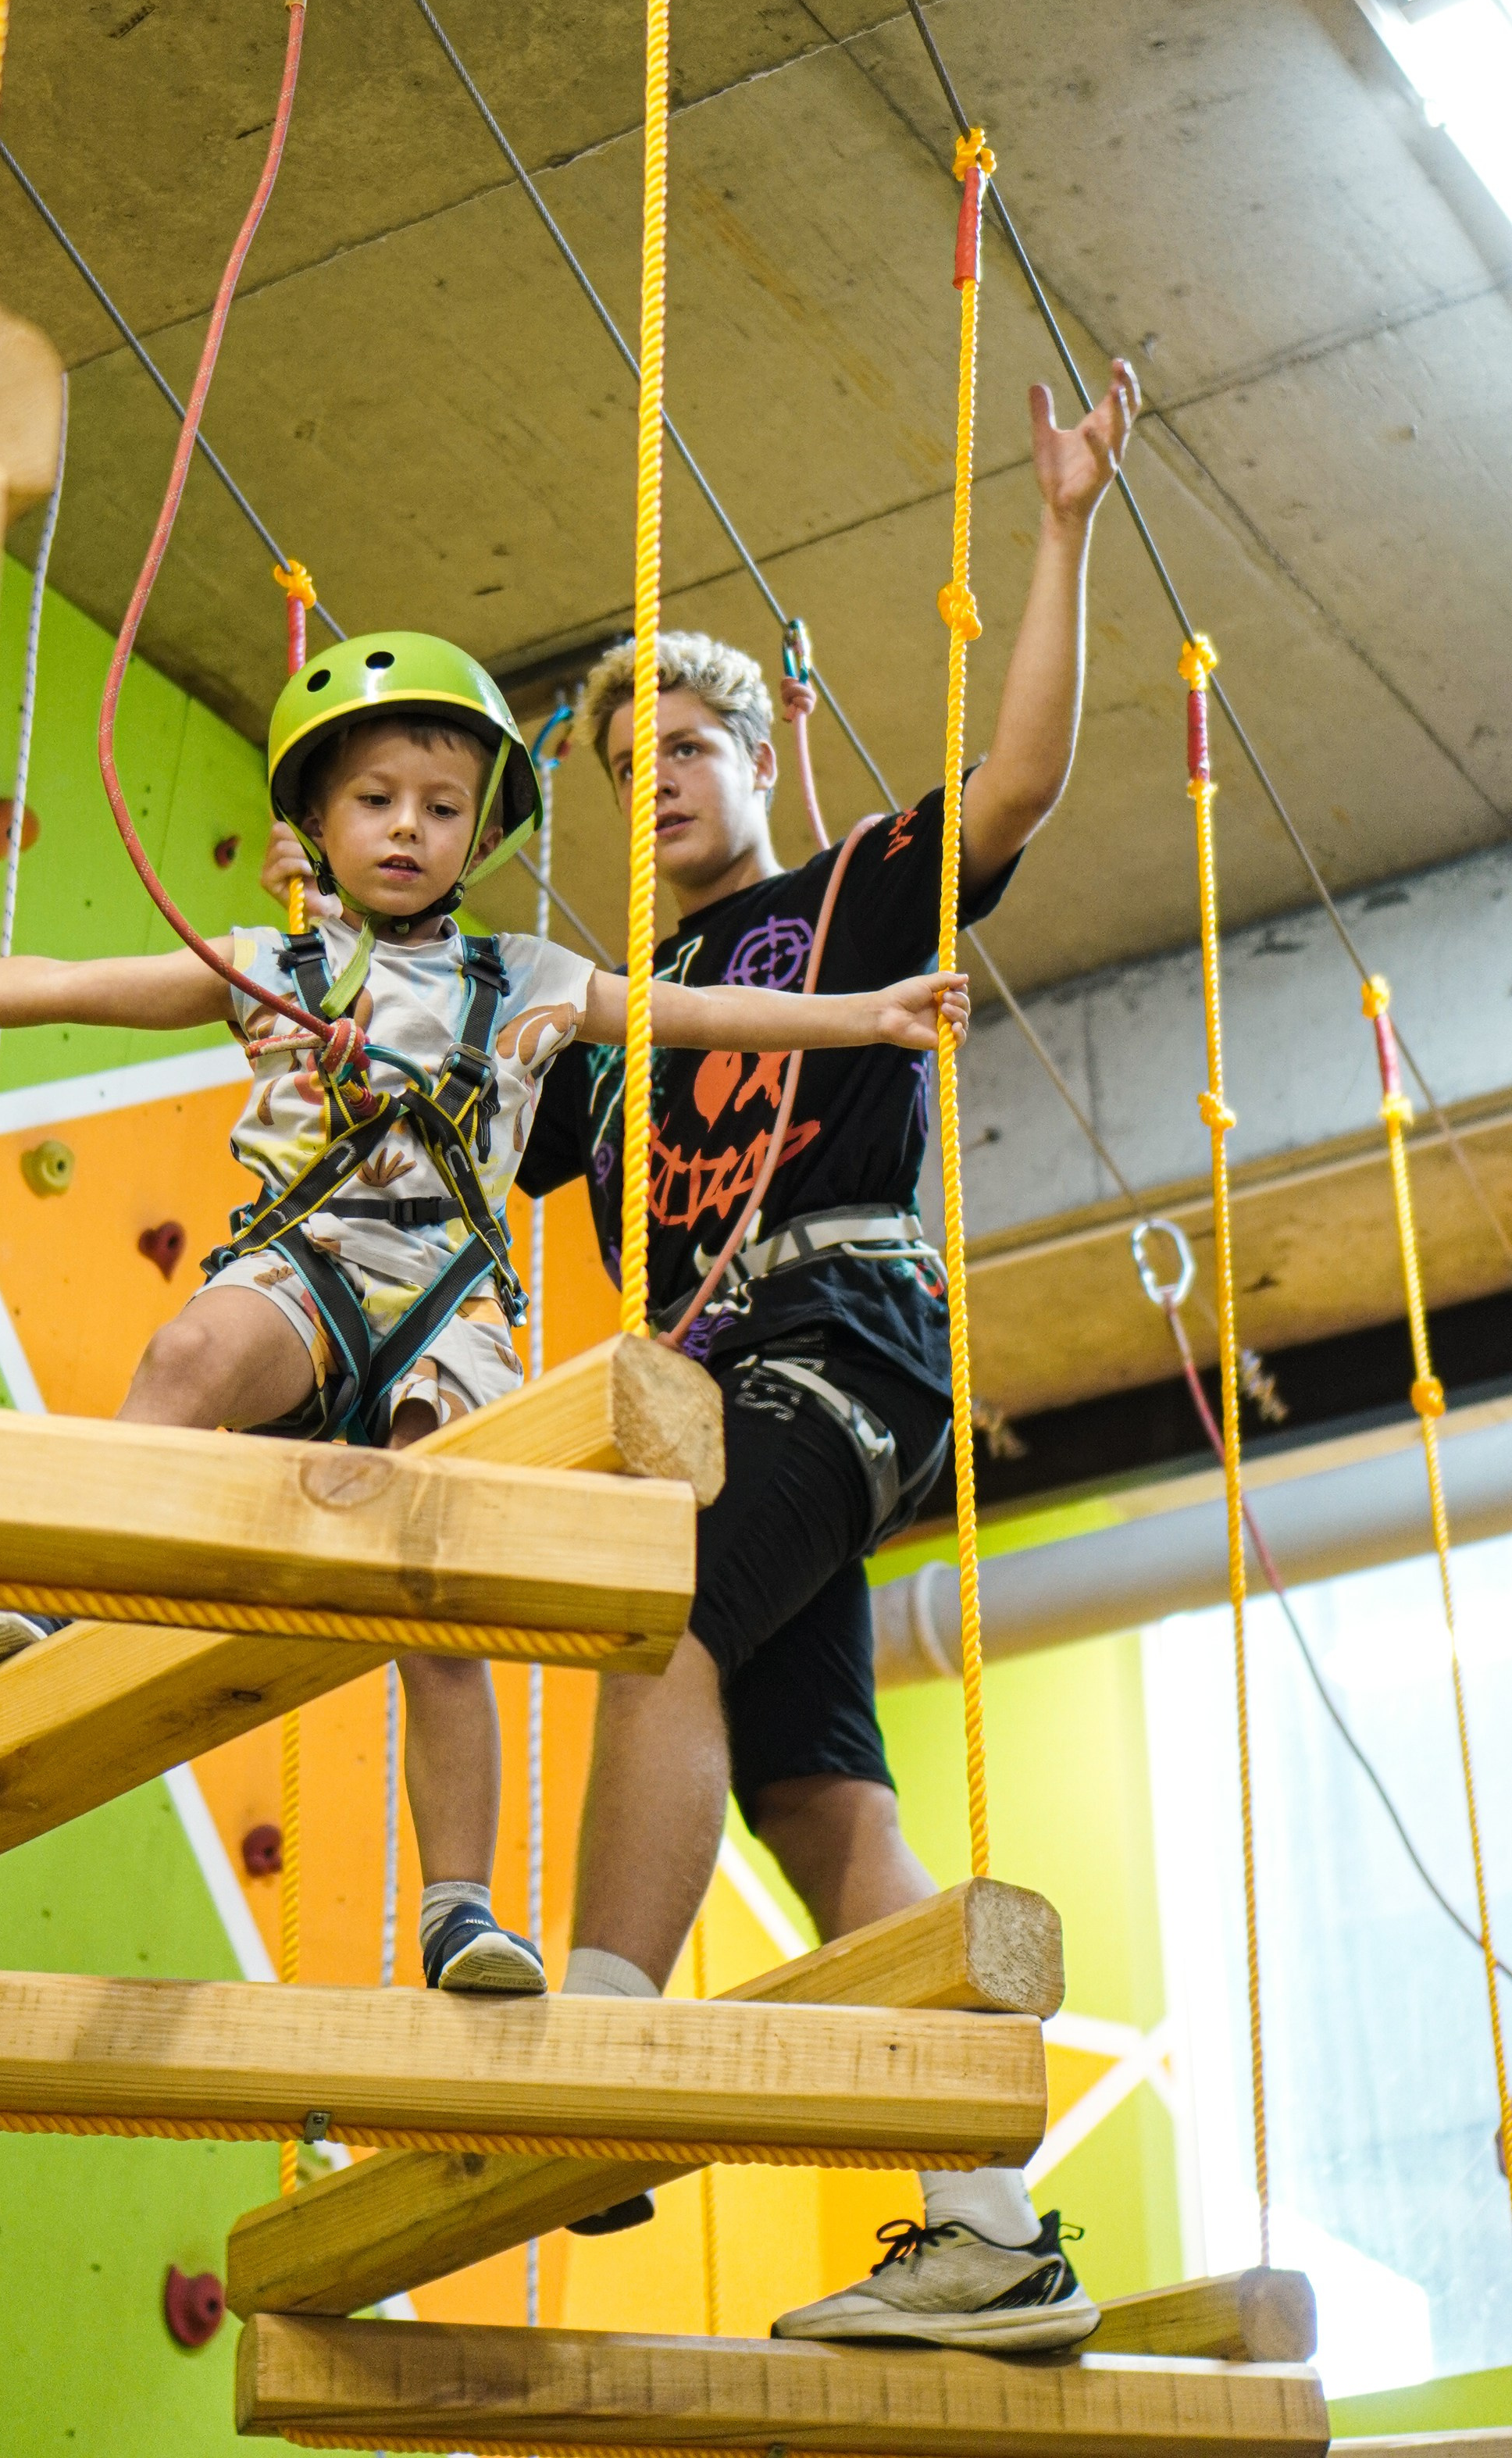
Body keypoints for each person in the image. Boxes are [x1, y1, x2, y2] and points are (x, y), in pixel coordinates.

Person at [0, 630, 967, 2003]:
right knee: (187, 1352)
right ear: (318, 828)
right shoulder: (277, 965)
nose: (408, 830)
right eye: (376, 803)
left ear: (477, 833)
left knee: (431, 1587)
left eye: (442, 810)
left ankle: (457, 1909)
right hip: (312, 1267)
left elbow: (695, 1010)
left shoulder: (533, 980)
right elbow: (69, 983)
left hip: (446, 1313)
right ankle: (51, 1600)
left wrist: (867, 1015)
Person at [510, 360, 1138, 2346]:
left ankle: (603, 2041)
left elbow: (1020, 785)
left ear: (760, 744)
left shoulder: (842, 893)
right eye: (640, 766)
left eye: (692, 741)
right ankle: (989, 2226)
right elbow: (459, 1124)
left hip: (838, 1313)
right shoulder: (623, 1002)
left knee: (657, 1624)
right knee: (818, 1804)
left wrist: (1056, 528)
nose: (667, 778)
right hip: (715, 1374)